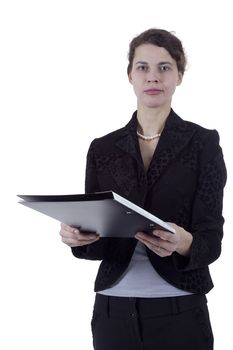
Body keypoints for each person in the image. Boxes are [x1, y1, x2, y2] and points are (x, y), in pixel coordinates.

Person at [60, 28, 227, 350]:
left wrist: (184, 243)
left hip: (180, 310)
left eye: (164, 67)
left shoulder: (203, 143)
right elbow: (98, 240)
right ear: (130, 76)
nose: (153, 77)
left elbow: (211, 237)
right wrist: (78, 238)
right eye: (143, 67)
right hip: (112, 310)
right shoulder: (103, 148)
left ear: (179, 75)